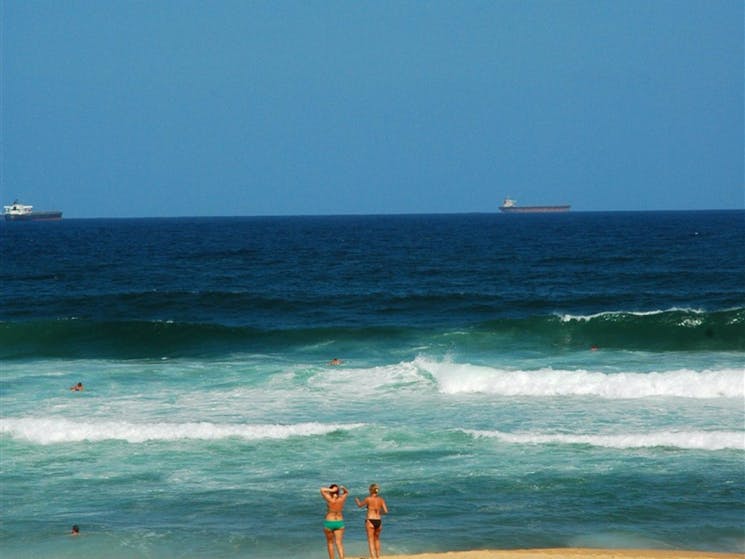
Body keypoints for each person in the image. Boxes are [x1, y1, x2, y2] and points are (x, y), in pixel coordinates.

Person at [355, 483, 388, 559]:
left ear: (370, 490)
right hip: (378, 521)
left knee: (370, 540)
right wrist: (379, 512)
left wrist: (357, 500)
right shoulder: (381, 499)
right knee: (377, 539)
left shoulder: (368, 499)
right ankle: (378, 557)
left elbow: (360, 505)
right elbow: (386, 511)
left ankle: (373, 557)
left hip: (370, 520)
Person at [321, 483, 349, 559]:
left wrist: (331, 490)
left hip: (329, 522)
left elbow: (322, 490)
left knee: (330, 543)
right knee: (339, 543)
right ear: (338, 492)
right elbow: (347, 492)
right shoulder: (341, 499)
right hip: (339, 522)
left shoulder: (329, 499)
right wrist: (343, 488)